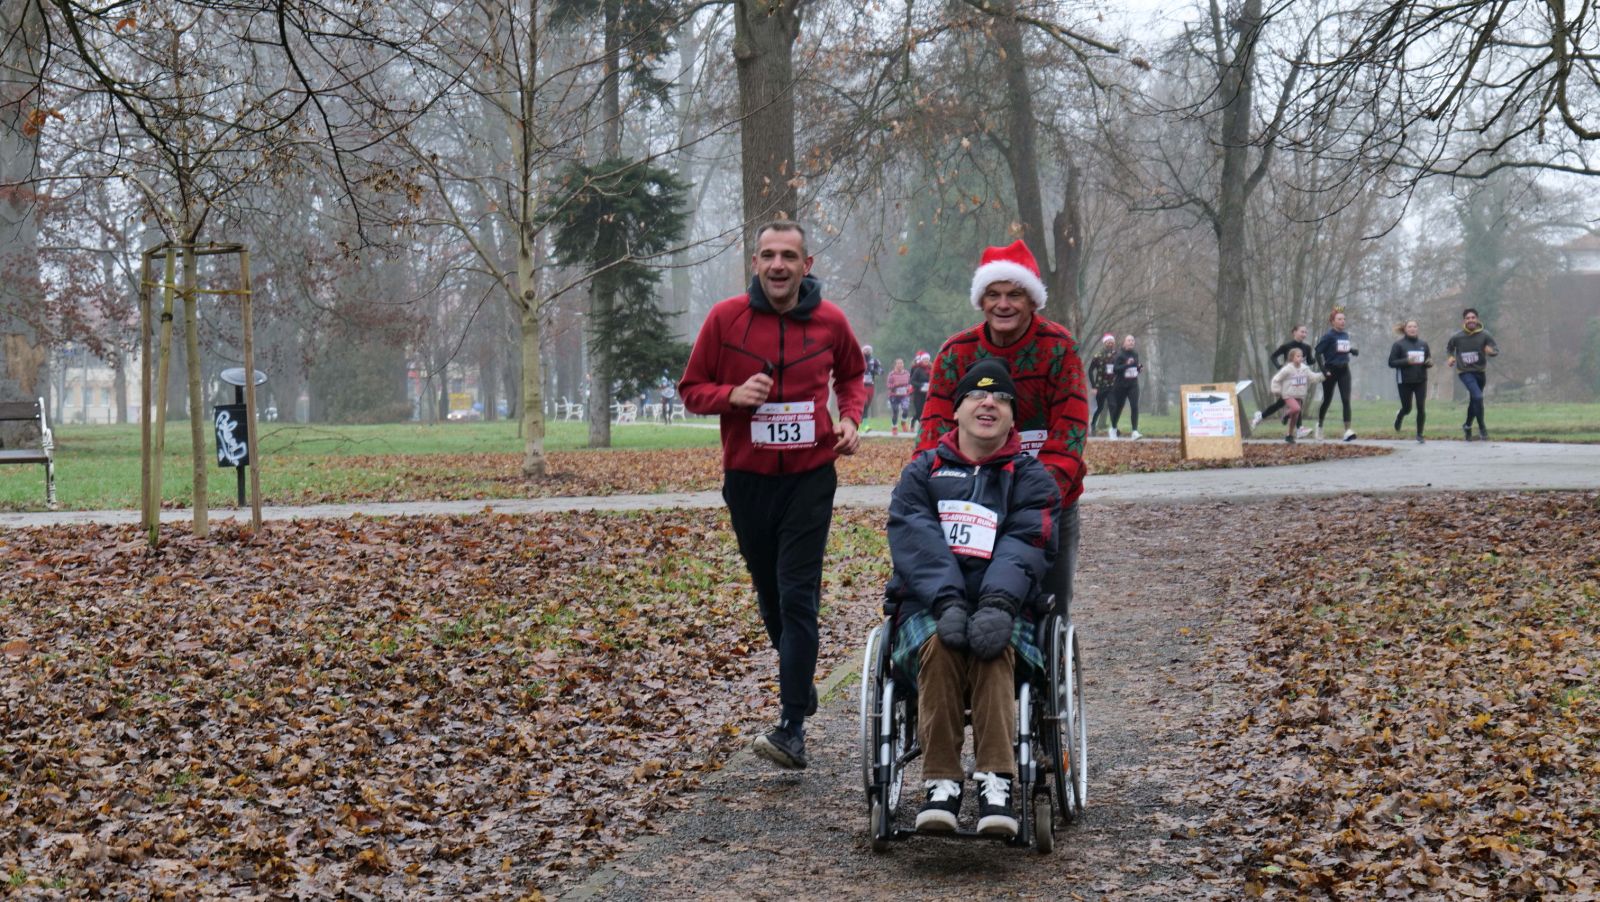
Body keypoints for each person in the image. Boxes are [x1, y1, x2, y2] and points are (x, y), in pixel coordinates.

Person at [678, 220, 866, 770]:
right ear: (754, 264)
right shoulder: (725, 319)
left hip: (810, 476)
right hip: (748, 479)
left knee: (797, 592)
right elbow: (691, 391)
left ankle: (791, 725)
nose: (778, 265)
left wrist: (851, 419)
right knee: (769, 590)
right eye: (768, 255)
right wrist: (733, 396)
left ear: (807, 265)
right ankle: (799, 680)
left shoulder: (831, 321)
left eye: (789, 255)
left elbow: (853, 375)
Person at [887, 358, 1059, 838]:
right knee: (942, 645)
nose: (990, 403)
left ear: (1011, 418)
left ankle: (996, 781)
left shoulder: (1032, 479)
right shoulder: (921, 474)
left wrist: (997, 604)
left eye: (1002, 398)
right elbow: (914, 538)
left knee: (991, 647)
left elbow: (1027, 543)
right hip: (929, 606)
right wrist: (947, 602)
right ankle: (941, 780)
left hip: (1006, 609)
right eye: (978, 397)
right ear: (957, 411)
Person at [916, 239, 1087, 630]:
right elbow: (933, 430)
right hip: (968, 498)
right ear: (981, 301)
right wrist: (926, 487)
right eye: (993, 295)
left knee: (1049, 607)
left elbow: (1070, 433)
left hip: (1048, 499)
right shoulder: (956, 353)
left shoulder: (1060, 349)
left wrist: (1033, 497)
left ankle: (1047, 676)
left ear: (1032, 300)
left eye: (1014, 294)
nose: (1003, 304)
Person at [1446, 307, 1499, 441]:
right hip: (1464, 372)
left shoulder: (1485, 335)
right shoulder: (1457, 336)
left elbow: (1496, 350)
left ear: (1477, 319)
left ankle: (1468, 425)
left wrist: (1491, 352)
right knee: (1478, 397)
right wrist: (1451, 357)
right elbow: (1449, 348)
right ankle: (1482, 428)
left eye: (1473, 318)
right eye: (1468, 318)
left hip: (1480, 372)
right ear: (1464, 321)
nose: (1470, 320)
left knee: (1475, 400)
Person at [1251, 325, 1315, 437]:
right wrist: (1280, 367)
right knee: (1294, 401)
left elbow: (1309, 361)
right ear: (1294, 332)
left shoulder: (1307, 347)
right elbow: (1273, 356)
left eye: (1305, 332)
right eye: (1302, 332)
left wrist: (1318, 357)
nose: (1304, 334)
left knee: (1281, 403)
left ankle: (1261, 416)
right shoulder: (1286, 346)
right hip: (1287, 378)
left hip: (1299, 379)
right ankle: (1298, 427)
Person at [1313, 308, 1360, 441]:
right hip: (1330, 371)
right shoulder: (1328, 336)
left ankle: (1347, 431)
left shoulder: (1345, 335)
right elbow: (1317, 352)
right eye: (1339, 319)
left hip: (1344, 370)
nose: (1342, 321)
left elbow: (1340, 348)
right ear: (1332, 322)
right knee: (1327, 400)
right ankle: (1320, 426)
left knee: (1346, 400)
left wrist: (1351, 350)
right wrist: (1323, 370)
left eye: (1344, 319)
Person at [1268, 347, 1325, 444]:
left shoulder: (1305, 369)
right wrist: (1276, 391)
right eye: (1298, 356)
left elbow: (1313, 378)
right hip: (1288, 394)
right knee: (1296, 409)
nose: (1301, 358)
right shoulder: (1287, 369)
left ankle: (1289, 435)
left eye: (1302, 356)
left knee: (1295, 417)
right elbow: (1276, 379)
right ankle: (1285, 415)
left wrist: (1323, 375)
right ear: (1291, 358)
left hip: (1299, 395)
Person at [1388, 320, 1431, 443]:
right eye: (1410, 327)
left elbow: (1427, 360)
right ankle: (1400, 416)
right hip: (1404, 381)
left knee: (1421, 407)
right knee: (1407, 408)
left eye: (1415, 326)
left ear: (1417, 329)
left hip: (1421, 380)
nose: (1412, 329)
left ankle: (1419, 434)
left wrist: (1429, 363)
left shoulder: (1423, 344)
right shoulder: (1399, 345)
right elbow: (1391, 363)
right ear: (1405, 329)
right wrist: (1407, 361)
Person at [1108, 335, 1142, 440]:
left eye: (1133, 340)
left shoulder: (1135, 354)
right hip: (1120, 385)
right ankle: (1113, 428)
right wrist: (1127, 365)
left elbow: (1135, 367)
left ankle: (1134, 431)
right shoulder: (1119, 355)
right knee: (1119, 407)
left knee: (1134, 406)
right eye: (1129, 340)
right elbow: (1115, 369)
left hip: (1133, 384)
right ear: (1124, 343)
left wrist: (1139, 368)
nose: (1131, 342)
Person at [1087, 333, 1117, 433]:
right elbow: (1090, 370)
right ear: (1105, 343)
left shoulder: (1116, 355)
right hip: (1100, 386)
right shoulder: (1098, 355)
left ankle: (1114, 428)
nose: (1110, 344)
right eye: (1108, 342)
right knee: (1100, 407)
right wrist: (1094, 386)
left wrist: (1138, 367)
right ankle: (1093, 425)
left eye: (1112, 342)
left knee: (1113, 405)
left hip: (1112, 385)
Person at [886, 357, 913, 435]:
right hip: (894, 395)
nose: (900, 365)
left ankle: (903, 422)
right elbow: (888, 385)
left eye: (901, 363)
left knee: (906, 409)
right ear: (895, 365)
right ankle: (894, 427)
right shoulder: (892, 374)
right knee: (895, 411)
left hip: (904, 395)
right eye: (898, 363)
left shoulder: (907, 373)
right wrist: (895, 385)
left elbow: (910, 383)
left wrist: (909, 388)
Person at [861, 344, 883, 429]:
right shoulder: (858, 359)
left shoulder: (874, 361)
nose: (867, 351)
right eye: (865, 350)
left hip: (870, 385)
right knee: (864, 403)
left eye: (868, 350)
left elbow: (881, 371)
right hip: (860, 385)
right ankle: (864, 425)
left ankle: (863, 422)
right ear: (862, 351)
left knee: (867, 405)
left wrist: (875, 371)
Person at [909, 350, 933, 425]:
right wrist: (921, 385)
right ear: (922, 361)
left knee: (927, 411)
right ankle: (918, 423)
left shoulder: (932, 369)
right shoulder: (918, 370)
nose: (926, 361)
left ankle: (923, 425)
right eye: (924, 360)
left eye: (927, 360)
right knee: (919, 410)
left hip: (928, 393)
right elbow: (912, 381)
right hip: (918, 393)